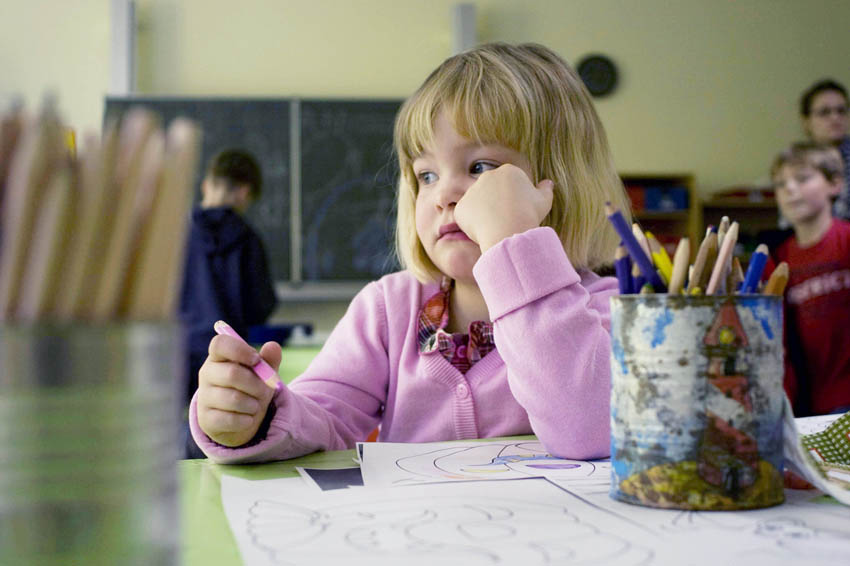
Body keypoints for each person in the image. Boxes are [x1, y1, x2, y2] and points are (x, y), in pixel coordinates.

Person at [189, 42, 631, 464]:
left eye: (480, 168)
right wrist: (252, 416)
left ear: (558, 185)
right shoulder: (388, 309)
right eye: (427, 175)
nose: (444, 195)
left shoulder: (606, 310)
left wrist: (514, 244)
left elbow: (588, 428)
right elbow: (323, 416)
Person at [179, 148, 277, 457]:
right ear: (245, 192)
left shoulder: (174, 235)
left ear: (207, 184)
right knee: (217, 442)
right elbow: (261, 306)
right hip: (227, 360)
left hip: (174, 353)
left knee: (169, 445)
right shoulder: (248, 239)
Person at [767, 142, 850, 416]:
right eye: (780, 184)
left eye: (802, 178)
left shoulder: (846, 241)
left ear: (834, 184)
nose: (790, 189)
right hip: (808, 406)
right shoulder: (777, 260)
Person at [799, 79, 850, 220]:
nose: (835, 117)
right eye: (824, 112)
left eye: (841, 111)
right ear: (806, 121)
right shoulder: (795, 163)